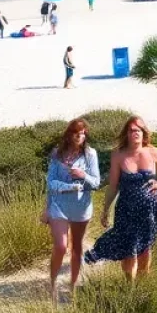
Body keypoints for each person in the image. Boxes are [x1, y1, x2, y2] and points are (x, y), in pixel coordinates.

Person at [85, 115, 157, 279]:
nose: (135, 133)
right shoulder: (118, 155)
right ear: (127, 134)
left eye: (138, 130)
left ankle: (141, 286)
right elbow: (113, 186)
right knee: (128, 251)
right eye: (131, 130)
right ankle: (128, 286)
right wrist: (105, 210)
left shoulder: (154, 152)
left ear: (144, 132)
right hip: (126, 211)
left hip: (149, 212)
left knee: (145, 250)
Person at [46, 118, 100, 300]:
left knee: (77, 247)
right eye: (77, 133)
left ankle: (73, 285)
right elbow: (50, 182)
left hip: (81, 207)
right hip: (59, 206)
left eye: (83, 133)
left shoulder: (90, 154)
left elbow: (96, 183)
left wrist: (83, 175)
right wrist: (67, 188)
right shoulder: (57, 154)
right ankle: (52, 283)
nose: (80, 136)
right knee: (61, 246)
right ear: (69, 135)